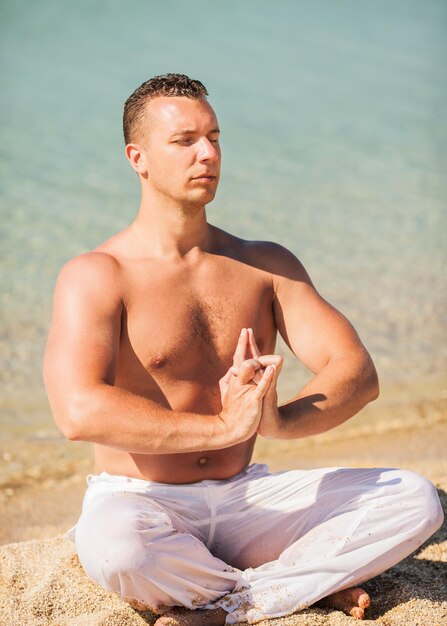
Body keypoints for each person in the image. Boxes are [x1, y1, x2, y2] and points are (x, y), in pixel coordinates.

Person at [43, 74, 443, 625]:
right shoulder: (96, 275)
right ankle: (297, 584)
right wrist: (224, 429)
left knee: (415, 498)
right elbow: (78, 410)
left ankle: (227, 603)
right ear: (138, 158)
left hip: (244, 498)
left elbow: (356, 370)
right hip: (143, 502)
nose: (207, 153)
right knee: (116, 549)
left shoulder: (265, 265)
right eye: (184, 141)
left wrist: (277, 419)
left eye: (214, 136)